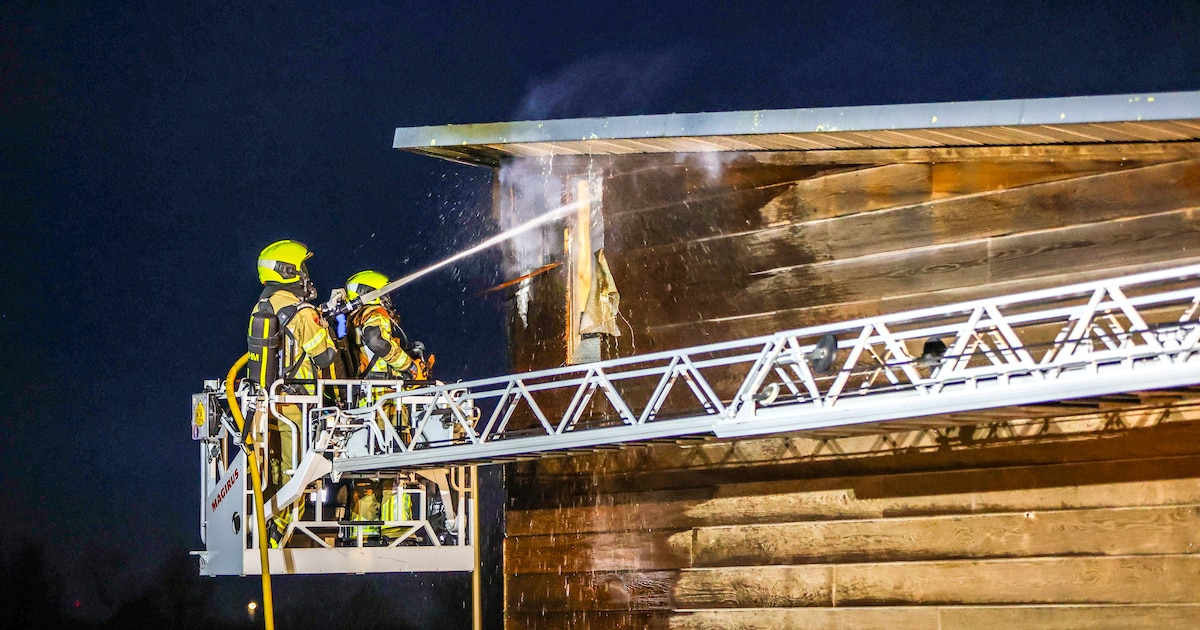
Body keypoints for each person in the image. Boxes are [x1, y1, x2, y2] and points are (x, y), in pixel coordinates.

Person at [248, 240, 342, 544]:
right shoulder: (300, 311)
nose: (306, 275)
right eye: (302, 268)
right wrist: (325, 325)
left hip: (270, 404)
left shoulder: (265, 304)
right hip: (298, 404)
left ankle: (270, 528)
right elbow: (325, 356)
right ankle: (279, 535)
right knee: (297, 471)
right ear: (288, 270)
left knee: (275, 470)